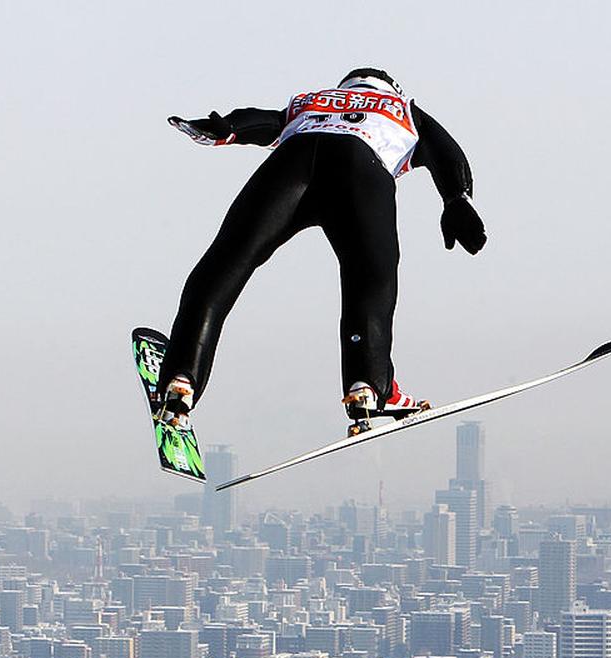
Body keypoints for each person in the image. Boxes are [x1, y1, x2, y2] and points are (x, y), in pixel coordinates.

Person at [158, 67, 486, 428]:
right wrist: (457, 198)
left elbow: (262, 122)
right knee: (370, 282)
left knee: (226, 263)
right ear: (391, 87)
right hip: (360, 170)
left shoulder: (312, 102)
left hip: (291, 165)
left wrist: (228, 129)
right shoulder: (403, 106)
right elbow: (445, 150)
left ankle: (181, 377)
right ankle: (367, 384)